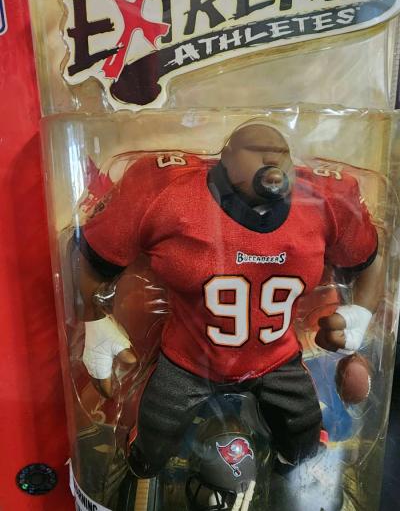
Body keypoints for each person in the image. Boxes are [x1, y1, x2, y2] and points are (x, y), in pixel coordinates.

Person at [74, 120, 380, 479]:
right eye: (257, 151)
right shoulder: (167, 191)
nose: (272, 161)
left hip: (275, 358)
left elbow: (368, 261)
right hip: (188, 358)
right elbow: (93, 257)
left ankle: (290, 469)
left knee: (304, 439)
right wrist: (95, 319)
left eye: (280, 153)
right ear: (227, 157)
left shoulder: (326, 199)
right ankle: (141, 467)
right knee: (151, 444)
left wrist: (360, 313)